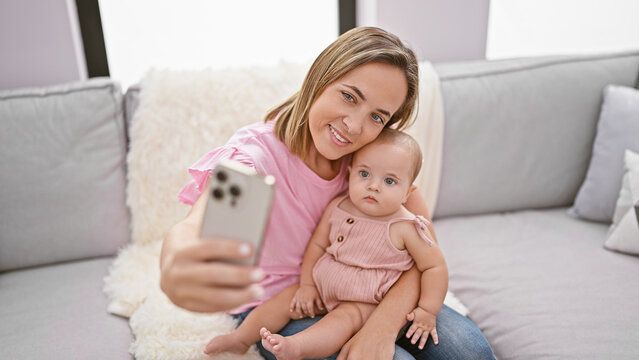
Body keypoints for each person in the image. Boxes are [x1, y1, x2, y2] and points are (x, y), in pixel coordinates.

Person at [160, 27, 495, 360]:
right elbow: (199, 226)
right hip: (281, 305)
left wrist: (381, 326)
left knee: (471, 352)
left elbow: (421, 262)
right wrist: (178, 255)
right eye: (349, 96)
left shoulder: (375, 166)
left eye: (377, 116)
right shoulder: (256, 158)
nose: (353, 126)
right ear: (321, 77)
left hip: (375, 292)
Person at [205, 129, 449, 360]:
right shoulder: (338, 206)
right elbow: (318, 246)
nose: (374, 186)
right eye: (364, 174)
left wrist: (428, 310)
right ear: (350, 173)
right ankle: (240, 338)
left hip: (365, 300)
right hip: (323, 285)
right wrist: (308, 285)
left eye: (390, 181)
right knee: (286, 299)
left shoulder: (406, 226)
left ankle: (296, 347)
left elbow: (434, 267)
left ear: (408, 192)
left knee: (343, 319)